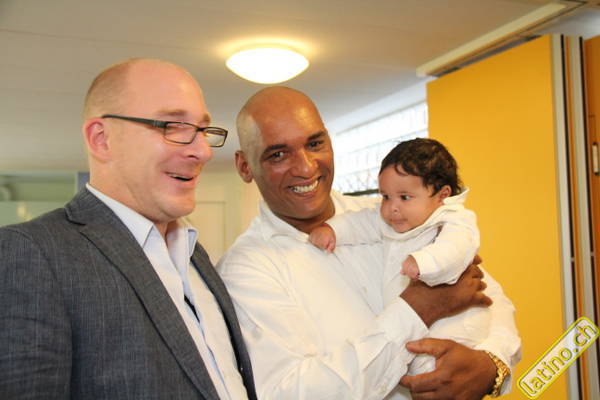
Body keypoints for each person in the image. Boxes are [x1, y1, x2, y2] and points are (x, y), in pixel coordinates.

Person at [218, 86, 520, 399]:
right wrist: (417, 309)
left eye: (315, 143)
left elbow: (489, 296)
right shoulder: (245, 271)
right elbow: (290, 392)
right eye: (278, 154)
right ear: (244, 166)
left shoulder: (392, 214)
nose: (306, 167)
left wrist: (492, 365)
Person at [0, 58, 257, 400]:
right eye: (174, 126)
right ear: (102, 139)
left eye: (202, 130)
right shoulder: (32, 253)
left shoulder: (196, 256)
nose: (203, 151)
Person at [309, 137, 490, 377]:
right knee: (417, 369)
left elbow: (456, 247)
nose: (391, 207)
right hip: (417, 325)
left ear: (442, 196)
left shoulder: (454, 219)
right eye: (385, 196)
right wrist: (332, 230)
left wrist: (424, 262)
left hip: (457, 323)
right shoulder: (390, 219)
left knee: (438, 368)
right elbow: (360, 222)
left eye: (404, 197)